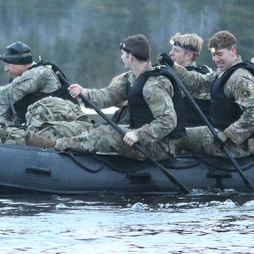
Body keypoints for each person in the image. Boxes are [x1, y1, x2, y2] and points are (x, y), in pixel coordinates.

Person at [28, 35, 187, 162]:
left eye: (123, 55)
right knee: (98, 130)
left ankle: (55, 146)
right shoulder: (129, 78)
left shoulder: (154, 85)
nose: (121, 58)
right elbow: (109, 95)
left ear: (131, 57)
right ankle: (56, 140)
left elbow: (168, 121)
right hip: (141, 139)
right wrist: (85, 93)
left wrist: (138, 134)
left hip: (158, 146)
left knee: (109, 132)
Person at [167, 30, 254, 156]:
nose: (216, 59)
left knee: (177, 137)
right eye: (213, 55)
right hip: (223, 135)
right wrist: (173, 66)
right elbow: (199, 82)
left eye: (220, 54)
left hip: (236, 146)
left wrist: (228, 135)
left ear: (233, 51)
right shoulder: (224, 73)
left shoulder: (239, 78)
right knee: (180, 133)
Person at [0, 41, 77, 127]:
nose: (5, 69)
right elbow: (3, 115)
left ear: (21, 63)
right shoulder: (16, 82)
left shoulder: (39, 73)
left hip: (58, 129)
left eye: (8, 64)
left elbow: (9, 94)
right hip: (35, 130)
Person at [158, 33, 212, 127]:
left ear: (189, 56)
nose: (171, 53)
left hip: (193, 131)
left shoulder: (201, 74)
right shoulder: (170, 73)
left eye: (176, 51)